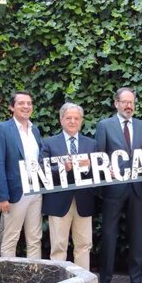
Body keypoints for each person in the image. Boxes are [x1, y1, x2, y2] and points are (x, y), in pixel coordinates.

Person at [95, 87, 142, 283]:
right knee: (109, 235)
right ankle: (105, 282)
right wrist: (104, 169)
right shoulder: (104, 126)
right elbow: (98, 156)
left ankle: (136, 281)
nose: (129, 106)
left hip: (136, 188)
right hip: (113, 189)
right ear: (116, 103)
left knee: (136, 236)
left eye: (132, 102)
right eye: (125, 102)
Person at [41, 103, 97, 270]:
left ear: (81, 121)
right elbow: (42, 170)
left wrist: (89, 166)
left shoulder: (91, 144)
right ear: (61, 120)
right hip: (58, 202)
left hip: (83, 201)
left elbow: (99, 173)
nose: (72, 121)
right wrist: (62, 168)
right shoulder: (49, 143)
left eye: (76, 118)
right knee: (58, 247)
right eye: (69, 118)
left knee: (84, 245)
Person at [0, 91, 43, 258]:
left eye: (29, 103)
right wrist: (2, 197)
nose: (26, 106)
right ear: (11, 107)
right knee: (10, 238)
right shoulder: (3, 129)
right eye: (21, 103)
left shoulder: (35, 130)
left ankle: (34, 278)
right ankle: (8, 279)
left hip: (36, 190)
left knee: (35, 238)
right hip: (15, 193)